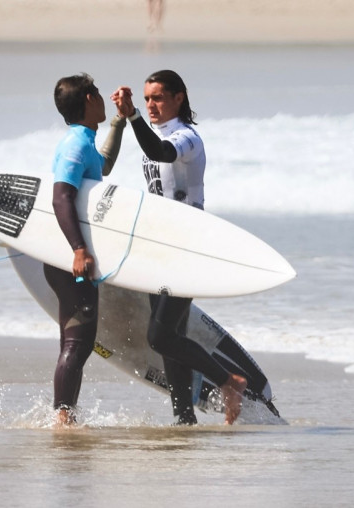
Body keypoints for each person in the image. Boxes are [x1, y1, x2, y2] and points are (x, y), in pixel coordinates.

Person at [111, 70, 247, 425]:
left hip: (187, 245)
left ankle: (228, 381)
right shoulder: (154, 133)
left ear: (179, 98)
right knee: (171, 335)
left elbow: (159, 152)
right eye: (146, 99)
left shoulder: (187, 138)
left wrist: (133, 117)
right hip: (161, 243)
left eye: (157, 97)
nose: (151, 105)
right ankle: (184, 417)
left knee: (160, 336)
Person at [47, 73, 125, 426]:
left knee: (75, 340)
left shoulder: (84, 141)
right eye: (97, 93)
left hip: (69, 255)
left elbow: (102, 166)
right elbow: (61, 196)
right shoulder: (76, 145)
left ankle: (65, 416)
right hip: (71, 258)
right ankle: (63, 418)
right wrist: (79, 249)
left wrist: (120, 123)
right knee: (78, 341)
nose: (102, 98)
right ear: (90, 100)